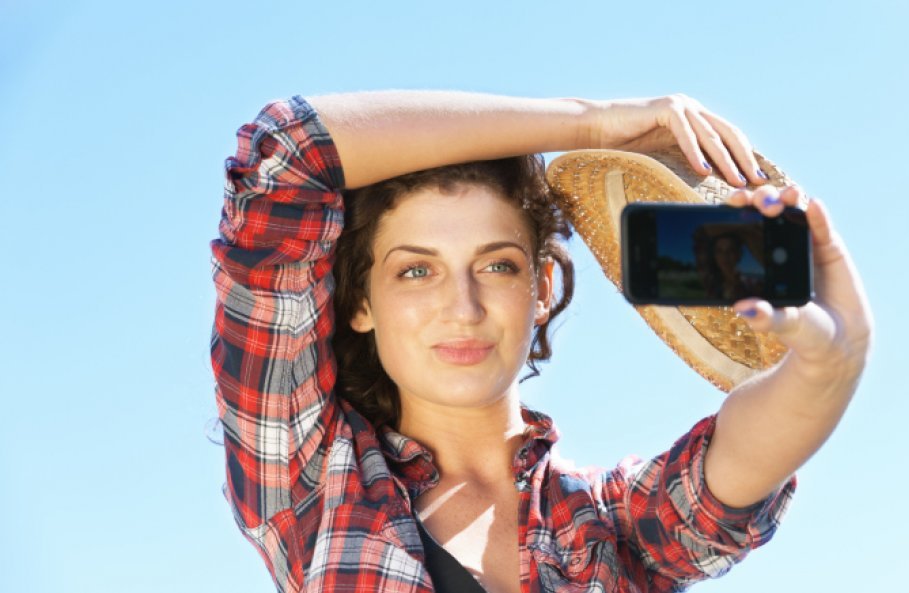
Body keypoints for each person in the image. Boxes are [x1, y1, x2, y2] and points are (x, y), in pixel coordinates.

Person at [210, 91, 873, 593]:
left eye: (497, 265)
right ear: (359, 302)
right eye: (416, 270)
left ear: (543, 286)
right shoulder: (312, 480)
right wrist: (594, 122)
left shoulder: (607, 523)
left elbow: (721, 484)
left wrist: (830, 363)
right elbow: (286, 151)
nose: (462, 307)